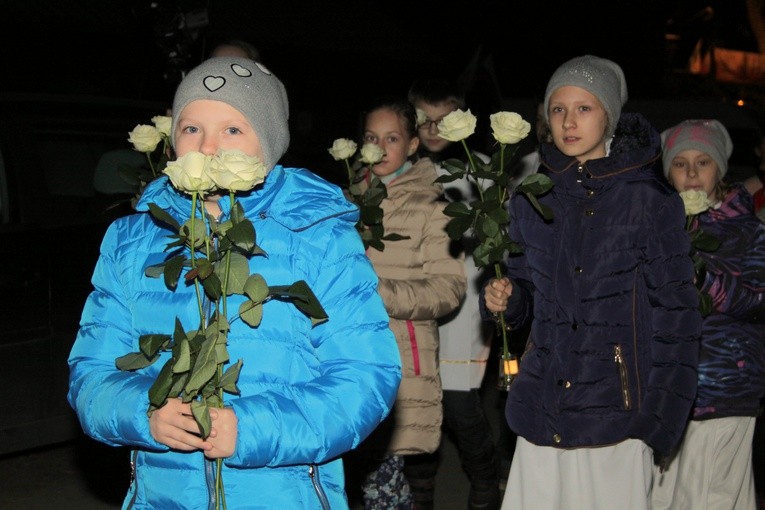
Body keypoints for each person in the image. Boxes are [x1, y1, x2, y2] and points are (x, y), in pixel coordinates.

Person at [67, 57, 402, 509]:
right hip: (164, 497)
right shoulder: (130, 242)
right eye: (191, 129)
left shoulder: (320, 237)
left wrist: (251, 428)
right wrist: (142, 414)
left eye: (232, 130)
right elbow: (91, 373)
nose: (207, 147)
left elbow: (366, 376)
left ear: (267, 144)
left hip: (284, 494)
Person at [480, 55, 702, 510]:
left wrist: (659, 417)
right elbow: (527, 294)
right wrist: (508, 298)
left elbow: (677, 316)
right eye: (558, 109)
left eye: (584, 108)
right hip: (543, 403)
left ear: (610, 116)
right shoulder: (533, 198)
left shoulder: (649, 201)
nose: (568, 121)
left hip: (615, 412)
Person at [346, 96, 466, 510]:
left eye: (392, 138)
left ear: (413, 145)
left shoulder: (432, 205)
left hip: (398, 363)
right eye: (371, 138)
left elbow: (449, 289)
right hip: (346, 356)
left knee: (383, 487)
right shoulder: (346, 200)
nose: (379, 148)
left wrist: (378, 293)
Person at [651, 119, 765, 510]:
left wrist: (702, 274)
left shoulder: (747, 230)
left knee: (714, 496)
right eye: (680, 164)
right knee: (666, 497)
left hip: (724, 386)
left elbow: (756, 300)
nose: (692, 173)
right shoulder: (657, 228)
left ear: (719, 167)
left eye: (703, 162)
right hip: (667, 390)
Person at [405, 77, 501, 510]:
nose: (433, 128)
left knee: (461, 404)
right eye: (424, 119)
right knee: (417, 400)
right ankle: (420, 488)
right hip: (415, 297)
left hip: (464, 302)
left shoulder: (481, 170)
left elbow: (497, 239)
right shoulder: (400, 171)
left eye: (444, 119)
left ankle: (484, 479)